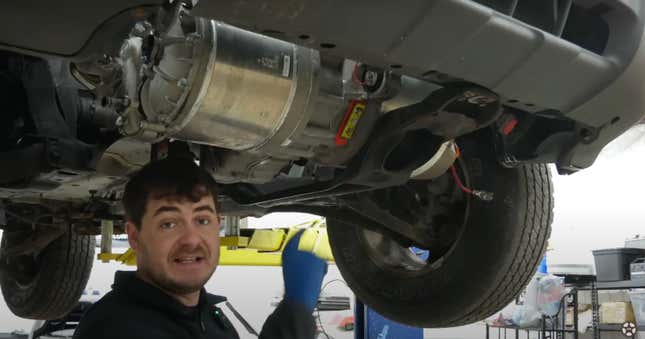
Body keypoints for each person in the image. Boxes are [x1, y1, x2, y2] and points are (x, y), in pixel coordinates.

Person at [73, 157, 328, 339]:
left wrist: (296, 309)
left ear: (218, 225)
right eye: (169, 223)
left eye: (202, 220)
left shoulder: (207, 317)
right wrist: (296, 310)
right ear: (135, 236)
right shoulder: (117, 328)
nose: (191, 240)